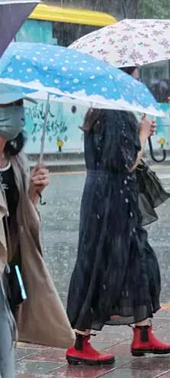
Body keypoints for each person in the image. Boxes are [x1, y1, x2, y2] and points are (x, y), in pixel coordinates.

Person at [65, 67, 170, 366]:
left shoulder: (106, 106)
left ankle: (142, 331)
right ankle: (80, 340)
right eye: (135, 75)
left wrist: (138, 132)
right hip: (110, 199)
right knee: (101, 265)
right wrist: (141, 134)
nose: (138, 81)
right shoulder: (115, 112)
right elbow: (125, 164)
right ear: (123, 78)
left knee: (139, 259)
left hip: (113, 197)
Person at [0, 99, 74, 378]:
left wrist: (33, 191)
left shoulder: (17, 161)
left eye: (19, 106)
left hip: (11, 264)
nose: (15, 113)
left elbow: (24, 222)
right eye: (8, 105)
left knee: (8, 332)